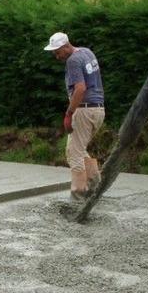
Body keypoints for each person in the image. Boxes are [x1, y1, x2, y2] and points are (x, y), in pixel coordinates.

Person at [44, 32, 106, 201]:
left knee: (74, 153)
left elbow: (80, 88)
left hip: (84, 110)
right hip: (98, 109)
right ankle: (95, 186)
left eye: (58, 52)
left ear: (66, 46)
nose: (57, 56)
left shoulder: (73, 61)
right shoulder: (87, 52)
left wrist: (69, 113)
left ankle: (78, 196)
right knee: (78, 149)